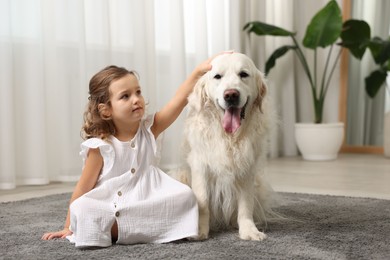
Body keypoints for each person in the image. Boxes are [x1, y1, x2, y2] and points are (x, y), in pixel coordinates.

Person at [41, 57, 214, 248]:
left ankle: (121, 229)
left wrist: (198, 72)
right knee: (83, 208)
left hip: (146, 197)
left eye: (138, 92)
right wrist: (69, 226)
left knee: (186, 196)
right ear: (106, 110)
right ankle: (129, 228)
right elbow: (82, 190)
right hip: (110, 203)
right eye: (125, 96)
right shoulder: (101, 147)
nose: (136, 99)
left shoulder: (150, 129)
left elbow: (179, 101)